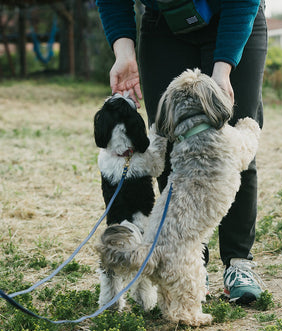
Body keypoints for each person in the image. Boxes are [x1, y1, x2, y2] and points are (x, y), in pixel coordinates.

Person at [96, 0, 267, 305]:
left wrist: (223, 69)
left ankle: (238, 264)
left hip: (231, 15)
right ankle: (184, 261)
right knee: (167, 141)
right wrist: (124, 52)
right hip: (164, 27)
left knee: (231, 144)